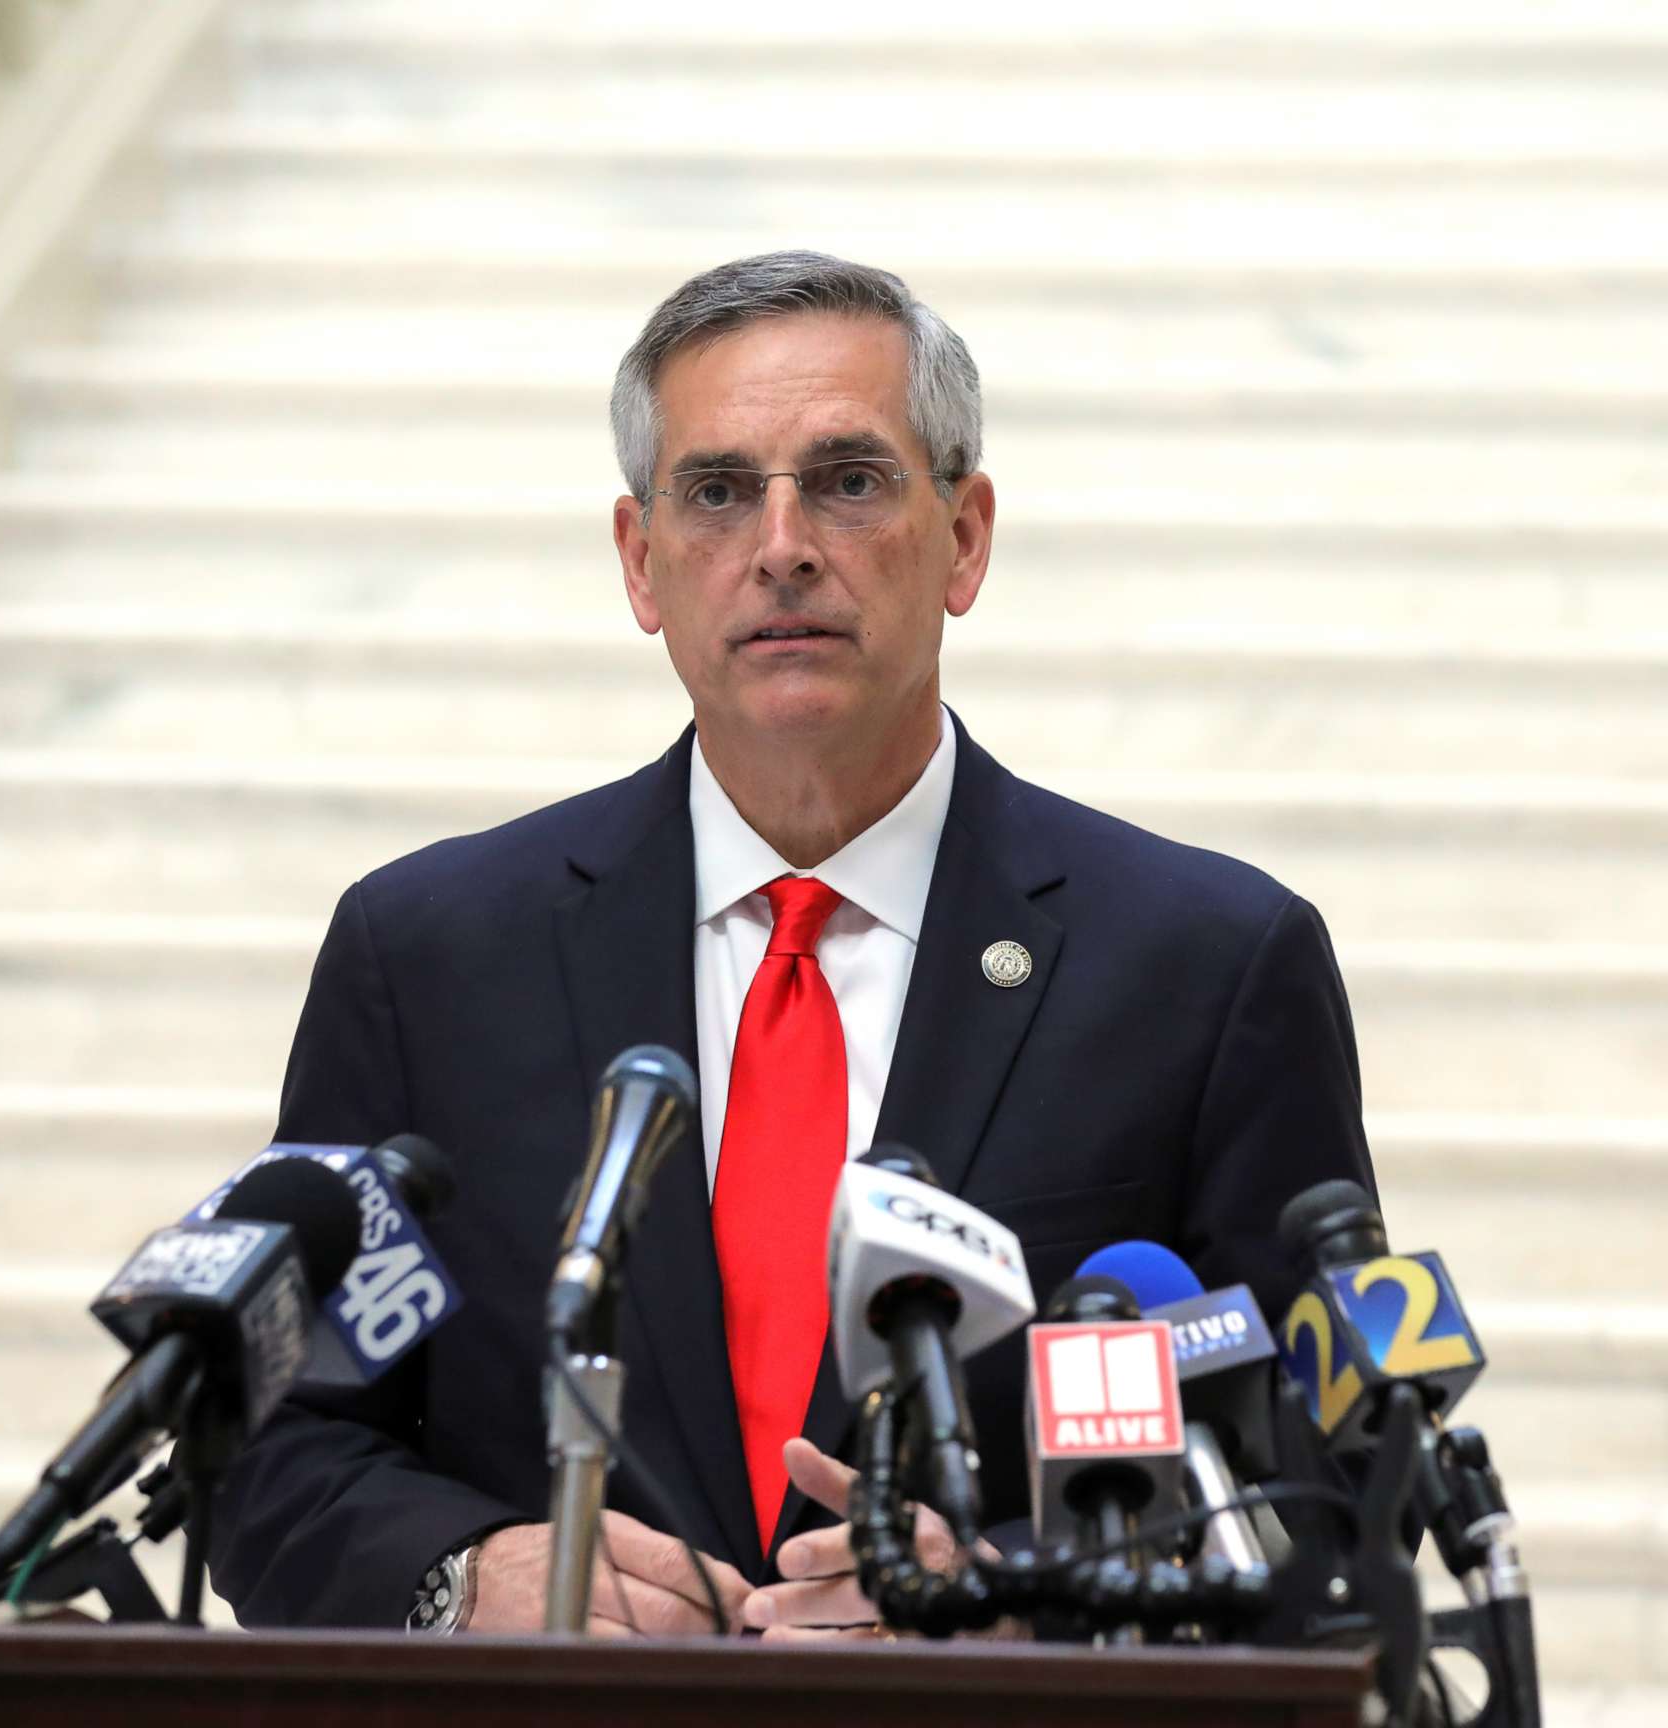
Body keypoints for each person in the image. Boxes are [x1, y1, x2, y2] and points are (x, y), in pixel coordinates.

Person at [210, 251, 1377, 1640]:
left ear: (968, 539)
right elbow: (266, 1446)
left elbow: (1342, 1485)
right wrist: (468, 1577)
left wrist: (1017, 1610)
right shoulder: (429, 958)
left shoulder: (1208, 968)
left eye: (850, 480)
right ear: (642, 562)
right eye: (716, 491)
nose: (781, 546)